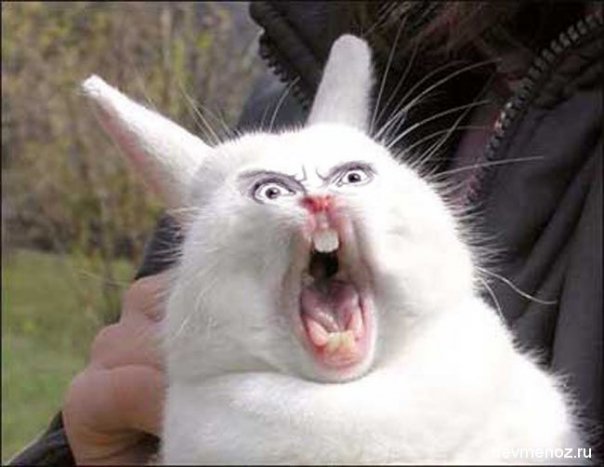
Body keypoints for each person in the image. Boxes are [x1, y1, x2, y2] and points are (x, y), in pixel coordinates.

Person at [9, 1, 602, 465]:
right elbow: (116, 407)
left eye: (349, 178)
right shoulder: (287, 96)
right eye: (272, 192)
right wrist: (83, 454)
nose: (317, 197)